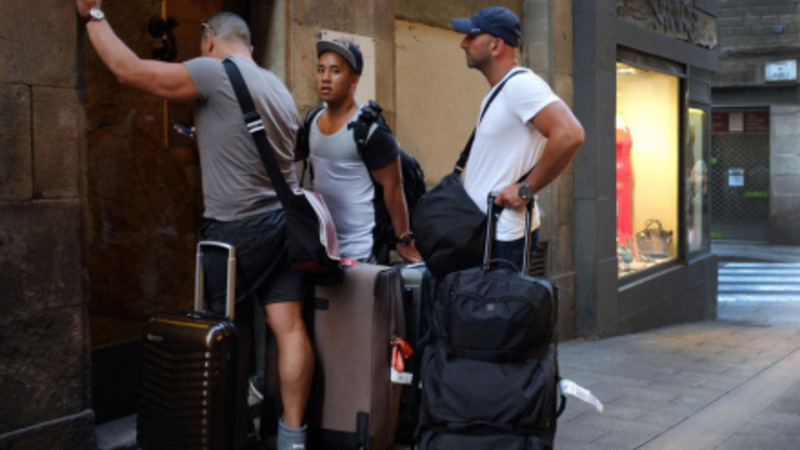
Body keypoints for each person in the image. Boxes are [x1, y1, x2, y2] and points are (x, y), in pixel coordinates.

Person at [76, 2, 312, 449]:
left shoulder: (212, 70)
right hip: (284, 227)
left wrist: (94, 17)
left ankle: (225, 435)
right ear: (250, 46)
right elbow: (285, 147)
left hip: (237, 233)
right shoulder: (277, 86)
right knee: (290, 329)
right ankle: (292, 439)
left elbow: (128, 71)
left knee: (220, 336)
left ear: (208, 39)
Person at [451, 7, 585, 269]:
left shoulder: (521, 86)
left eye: (471, 36)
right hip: (489, 233)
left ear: (496, 45)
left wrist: (526, 189)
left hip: (504, 239)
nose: (463, 43)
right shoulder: (502, 89)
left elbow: (570, 134)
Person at [302, 38, 421, 264]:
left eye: (335, 71)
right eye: (320, 70)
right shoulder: (311, 121)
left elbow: (394, 188)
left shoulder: (371, 131)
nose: (325, 78)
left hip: (361, 255)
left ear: (354, 80)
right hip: (321, 252)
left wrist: (404, 241)